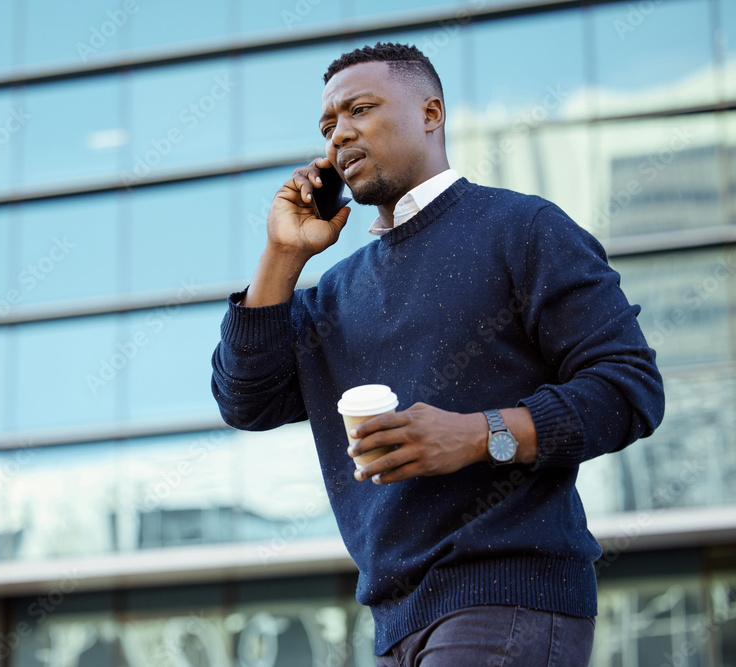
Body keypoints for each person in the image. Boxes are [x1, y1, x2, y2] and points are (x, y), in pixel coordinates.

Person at [210, 42, 665, 666]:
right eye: (327, 124)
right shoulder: (335, 294)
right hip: (395, 622)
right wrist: (283, 255)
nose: (339, 133)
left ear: (431, 113)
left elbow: (629, 388)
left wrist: (483, 434)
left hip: (510, 598)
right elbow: (246, 399)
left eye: (360, 109)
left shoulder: (523, 228)